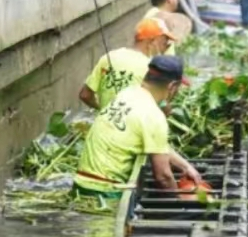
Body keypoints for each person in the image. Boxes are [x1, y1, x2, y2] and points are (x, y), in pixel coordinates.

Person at [74, 55, 203, 199]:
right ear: (172, 87)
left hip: (80, 185)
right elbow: (163, 177)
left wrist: (186, 167)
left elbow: (158, 146)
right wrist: (180, 200)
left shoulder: (126, 93)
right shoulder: (154, 115)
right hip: (104, 191)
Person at [79, 18, 177, 111]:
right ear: (152, 41)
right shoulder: (151, 69)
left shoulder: (109, 57)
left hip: (104, 125)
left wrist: (103, 111)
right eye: (163, 42)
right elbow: (161, 106)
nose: (165, 47)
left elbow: (85, 95)